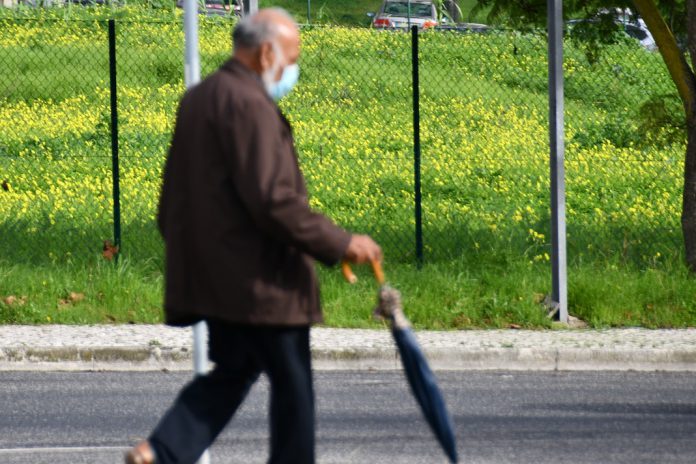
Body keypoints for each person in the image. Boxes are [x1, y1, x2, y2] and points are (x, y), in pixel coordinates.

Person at [124, 7, 381, 464]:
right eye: (293, 56)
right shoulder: (250, 106)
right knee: (293, 390)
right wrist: (341, 243)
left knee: (235, 371)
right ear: (266, 53)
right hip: (263, 282)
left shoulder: (200, 98)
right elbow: (274, 201)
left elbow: (171, 202)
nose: (292, 68)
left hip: (216, 278)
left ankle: (161, 450)